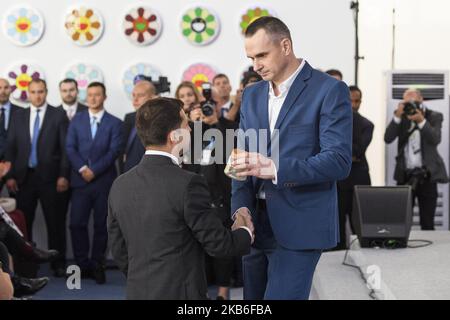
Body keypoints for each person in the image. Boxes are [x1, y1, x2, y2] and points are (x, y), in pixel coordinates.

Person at [230, 17, 352, 300]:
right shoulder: (251, 95)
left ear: (285, 46)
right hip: (254, 226)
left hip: (301, 224)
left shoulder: (329, 90)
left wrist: (273, 167)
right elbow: (239, 159)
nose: (256, 65)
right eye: (251, 58)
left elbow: (338, 160)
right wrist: (240, 210)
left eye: (262, 55)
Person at [107, 98, 253, 300]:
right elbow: (219, 245)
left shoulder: (119, 185)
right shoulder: (189, 184)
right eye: (186, 124)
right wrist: (246, 231)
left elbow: (119, 251)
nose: (191, 130)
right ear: (174, 137)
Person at [4, 79, 69, 278]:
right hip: (24, 178)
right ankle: (27, 265)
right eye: (33, 92)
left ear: (46, 92)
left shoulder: (58, 114)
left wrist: (63, 175)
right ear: (28, 93)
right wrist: (11, 176)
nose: (37, 95)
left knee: (55, 223)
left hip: (51, 179)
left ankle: (58, 264)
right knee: (23, 224)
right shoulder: (18, 115)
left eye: (41, 91)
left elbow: (66, 149)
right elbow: (11, 147)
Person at [66, 82, 122, 284]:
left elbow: (114, 151)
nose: (93, 98)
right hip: (80, 182)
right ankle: (81, 265)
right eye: (90, 95)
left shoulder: (115, 123)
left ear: (104, 97)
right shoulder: (76, 120)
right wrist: (83, 169)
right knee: (76, 224)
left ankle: (98, 264)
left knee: (102, 225)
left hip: (103, 182)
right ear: (85, 97)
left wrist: (94, 170)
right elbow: (70, 147)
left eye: (97, 95)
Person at [183, 102, 238, 300]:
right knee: (197, 246)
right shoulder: (189, 131)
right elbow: (186, 157)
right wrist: (196, 125)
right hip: (195, 196)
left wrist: (215, 124)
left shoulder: (228, 127)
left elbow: (231, 152)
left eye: (208, 108)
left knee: (221, 244)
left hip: (221, 195)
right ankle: (201, 291)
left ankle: (223, 292)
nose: (204, 113)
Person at [384, 88, 448, 230]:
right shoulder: (401, 118)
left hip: (427, 175)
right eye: (407, 103)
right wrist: (397, 116)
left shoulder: (434, 116)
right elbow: (387, 138)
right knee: (402, 220)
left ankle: (429, 251)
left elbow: (435, 139)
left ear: (421, 100)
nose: (410, 106)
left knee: (427, 221)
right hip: (405, 175)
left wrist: (421, 121)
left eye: (413, 102)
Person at [335, 86, 374, 250]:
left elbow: (358, 151)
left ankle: (365, 249)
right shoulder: (333, 122)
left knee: (360, 218)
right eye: (350, 100)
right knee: (338, 218)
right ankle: (338, 249)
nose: (353, 104)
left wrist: (339, 150)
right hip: (338, 178)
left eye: (356, 101)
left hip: (358, 178)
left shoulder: (366, 124)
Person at [121, 81, 158, 173]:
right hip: (129, 171)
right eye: (133, 95)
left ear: (153, 97)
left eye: (140, 95)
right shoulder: (129, 117)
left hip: (152, 172)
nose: (135, 99)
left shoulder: (160, 119)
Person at [0, 78, 23, 189]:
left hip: (16, 169)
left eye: (6, 87)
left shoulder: (22, 113)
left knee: (19, 205)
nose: (2, 91)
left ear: (11, 89)